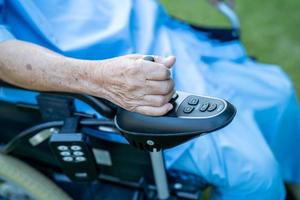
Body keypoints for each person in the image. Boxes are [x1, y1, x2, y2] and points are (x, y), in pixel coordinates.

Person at [0, 0, 299, 199]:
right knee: (254, 173)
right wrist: (97, 77)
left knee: (279, 96)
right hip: (102, 80)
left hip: (162, 37)